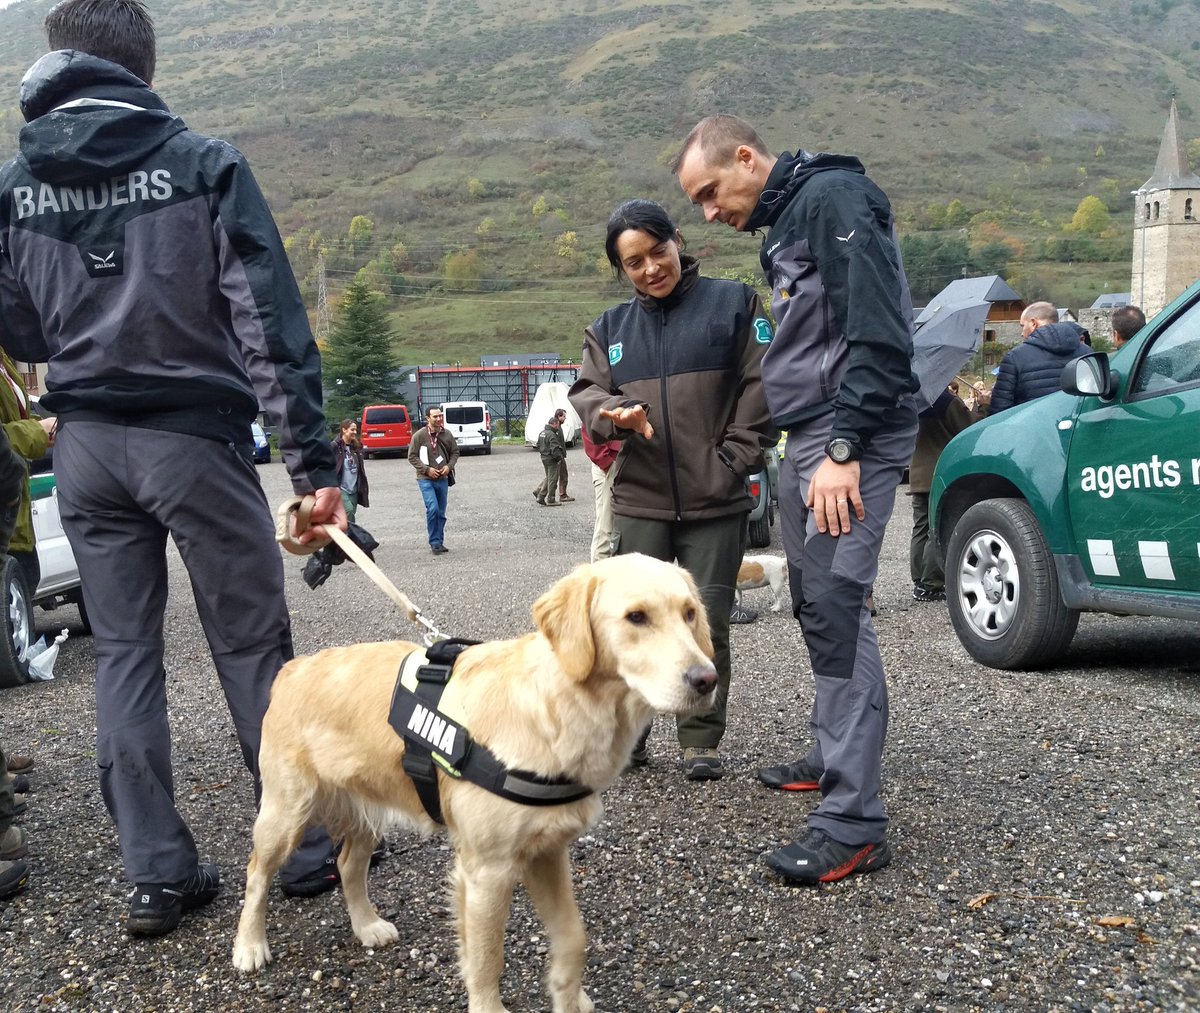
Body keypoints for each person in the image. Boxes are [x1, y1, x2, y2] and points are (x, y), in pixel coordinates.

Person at [0, 0, 347, 935]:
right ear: (142, 67)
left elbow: (20, 326)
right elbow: (266, 325)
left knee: (122, 654)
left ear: (56, 62)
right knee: (249, 646)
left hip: (85, 449)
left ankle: (156, 873)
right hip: (194, 439)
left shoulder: (14, 185)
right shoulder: (202, 163)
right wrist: (313, 462)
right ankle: (309, 852)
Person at [674, 115, 919, 881]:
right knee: (813, 598)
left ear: (746, 158)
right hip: (810, 435)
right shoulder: (786, 225)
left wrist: (844, 448)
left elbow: (879, 333)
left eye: (711, 192)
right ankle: (829, 751)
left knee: (840, 605)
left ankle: (853, 820)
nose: (709, 214)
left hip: (850, 435)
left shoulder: (835, 199)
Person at [569, 198, 774, 782]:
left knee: (706, 622)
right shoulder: (609, 328)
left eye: (657, 251)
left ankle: (700, 740)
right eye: (633, 262)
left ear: (678, 241)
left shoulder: (734, 305)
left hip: (717, 499)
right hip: (641, 499)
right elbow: (585, 392)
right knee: (633, 626)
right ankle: (631, 737)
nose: (651, 268)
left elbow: (763, 384)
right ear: (622, 270)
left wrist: (733, 459)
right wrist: (616, 413)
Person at [908, 386, 984, 601]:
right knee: (936, 529)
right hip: (940, 472)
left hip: (918, 472)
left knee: (920, 528)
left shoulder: (914, 399)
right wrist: (984, 405)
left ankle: (919, 581)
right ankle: (931, 583)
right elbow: (971, 428)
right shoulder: (945, 401)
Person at [986, 302, 1088, 415]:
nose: (1021, 333)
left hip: (1031, 429)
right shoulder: (1087, 353)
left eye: (1022, 326)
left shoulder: (1015, 358)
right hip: (1076, 426)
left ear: (1033, 323)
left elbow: (1000, 413)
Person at [408, 405, 458, 553]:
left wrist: (449, 467)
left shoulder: (447, 434)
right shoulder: (419, 436)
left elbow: (455, 452)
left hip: (442, 478)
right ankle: (434, 542)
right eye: (435, 416)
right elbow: (412, 456)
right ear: (427, 418)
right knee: (433, 509)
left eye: (440, 416)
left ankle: (439, 542)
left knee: (441, 512)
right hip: (425, 479)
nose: (438, 419)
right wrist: (426, 470)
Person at [582, 430, 623, 560]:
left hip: (624, 460)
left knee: (620, 523)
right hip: (612, 463)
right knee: (606, 524)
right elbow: (590, 424)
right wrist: (606, 463)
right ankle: (598, 574)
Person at [332, 418, 369, 523]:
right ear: (344, 430)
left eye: (356, 430)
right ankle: (349, 535)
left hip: (354, 488)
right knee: (348, 510)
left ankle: (344, 534)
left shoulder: (356, 447)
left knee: (350, 516)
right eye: (352, 430)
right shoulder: (335, 446)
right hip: (340, 487)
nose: (355, 432)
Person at [534, 414, 566, 506]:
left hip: (544, 457)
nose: (558, 426)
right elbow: (555, 449)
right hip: (551, 459)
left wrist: (543, 453)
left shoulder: (542, 433)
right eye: (557, 425)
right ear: (554, 424)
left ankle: (539, 492)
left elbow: (538, 445)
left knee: (549, 477)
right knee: (553, 479)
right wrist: (559, 458)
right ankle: (550, 498)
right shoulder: (552, 434)